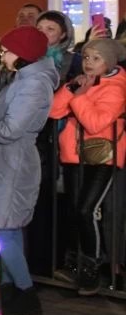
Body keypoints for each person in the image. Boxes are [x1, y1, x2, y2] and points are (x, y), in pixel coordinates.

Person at [0, 26, 58, 315]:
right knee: (8, 227)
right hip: (4, 162)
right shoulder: (23, 79)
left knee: (1, 229)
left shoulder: (34, 84)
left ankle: (25, 291)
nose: (2, 55)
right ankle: (10, 288)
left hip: (13, 164)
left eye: (7, 50)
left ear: (21, 54)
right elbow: (0, 115)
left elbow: (8, 129)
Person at [49, 38, 126, 295]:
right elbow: (54, 111)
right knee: (74, 210)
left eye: (96, 58)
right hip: (75, 156)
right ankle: (77, 262)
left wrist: (80, 98)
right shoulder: (81, 82)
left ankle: (91, 269)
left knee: (86, 210)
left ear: (109, 62)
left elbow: (96, 123)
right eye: (86, 57)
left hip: (102, 157)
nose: (89, 63)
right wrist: (72, 90)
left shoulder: (115, 88)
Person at [35, 10, 76, 84]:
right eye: (39, 29)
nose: (42, 33)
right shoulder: (28, 57)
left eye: (50, 29)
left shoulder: (75, 60)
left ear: (62, 34)